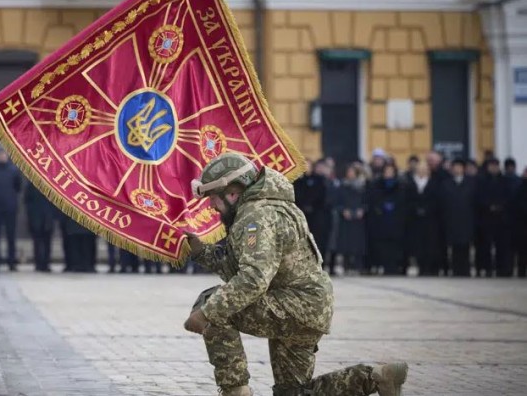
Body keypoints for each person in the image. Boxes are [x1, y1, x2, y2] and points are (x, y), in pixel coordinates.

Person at [184, 152, 408, 396]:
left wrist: (207, 313)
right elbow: (241, 266)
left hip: (295, 306)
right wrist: (201, 252)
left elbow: (253, 278)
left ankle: (235, 390)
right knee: (292, 392)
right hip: (308, 307)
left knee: (211, 302)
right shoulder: (272, 206)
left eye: (214, 198)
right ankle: (376, 378)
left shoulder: (256, 216)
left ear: (232, 192)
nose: (211, 206)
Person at [405, 162, 439, 276]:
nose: (422, 171)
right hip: (415, 219)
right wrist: (416, 209)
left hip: (430, 219)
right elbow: (407, 200)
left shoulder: (433, 184)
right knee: (417, 244)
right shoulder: (410, 184)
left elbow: (436, 200)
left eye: (424, 169)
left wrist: (427, 209)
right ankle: (420, 266)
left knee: (429, 244)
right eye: (420, 169)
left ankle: (428, 267)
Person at [24, 181, 56, 272]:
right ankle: (41, 263)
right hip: (40, 217)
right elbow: (27, 200)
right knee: (40, 242)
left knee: (43, 242)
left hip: (43, 217)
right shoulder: (34, 184)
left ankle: (43, 263)